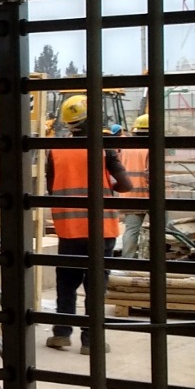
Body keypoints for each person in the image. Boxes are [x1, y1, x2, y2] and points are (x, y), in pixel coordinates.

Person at [46, 95, 132, 355]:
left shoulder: (56, 150)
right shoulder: (104, 147)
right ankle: (91, 340)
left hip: (69, 230)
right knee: (95, 285)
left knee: (66, 283)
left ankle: (61, 334)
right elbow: (126, 185)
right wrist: (110, 188)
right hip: (100, 228)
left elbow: (51, 188)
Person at [118, 113, 152, 259]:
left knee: (131, 231)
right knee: (162, 231)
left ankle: (127, 263)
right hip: (148, 196)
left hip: (129, 195)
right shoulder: (150, 147)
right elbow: (151, 175)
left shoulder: (126, 147)